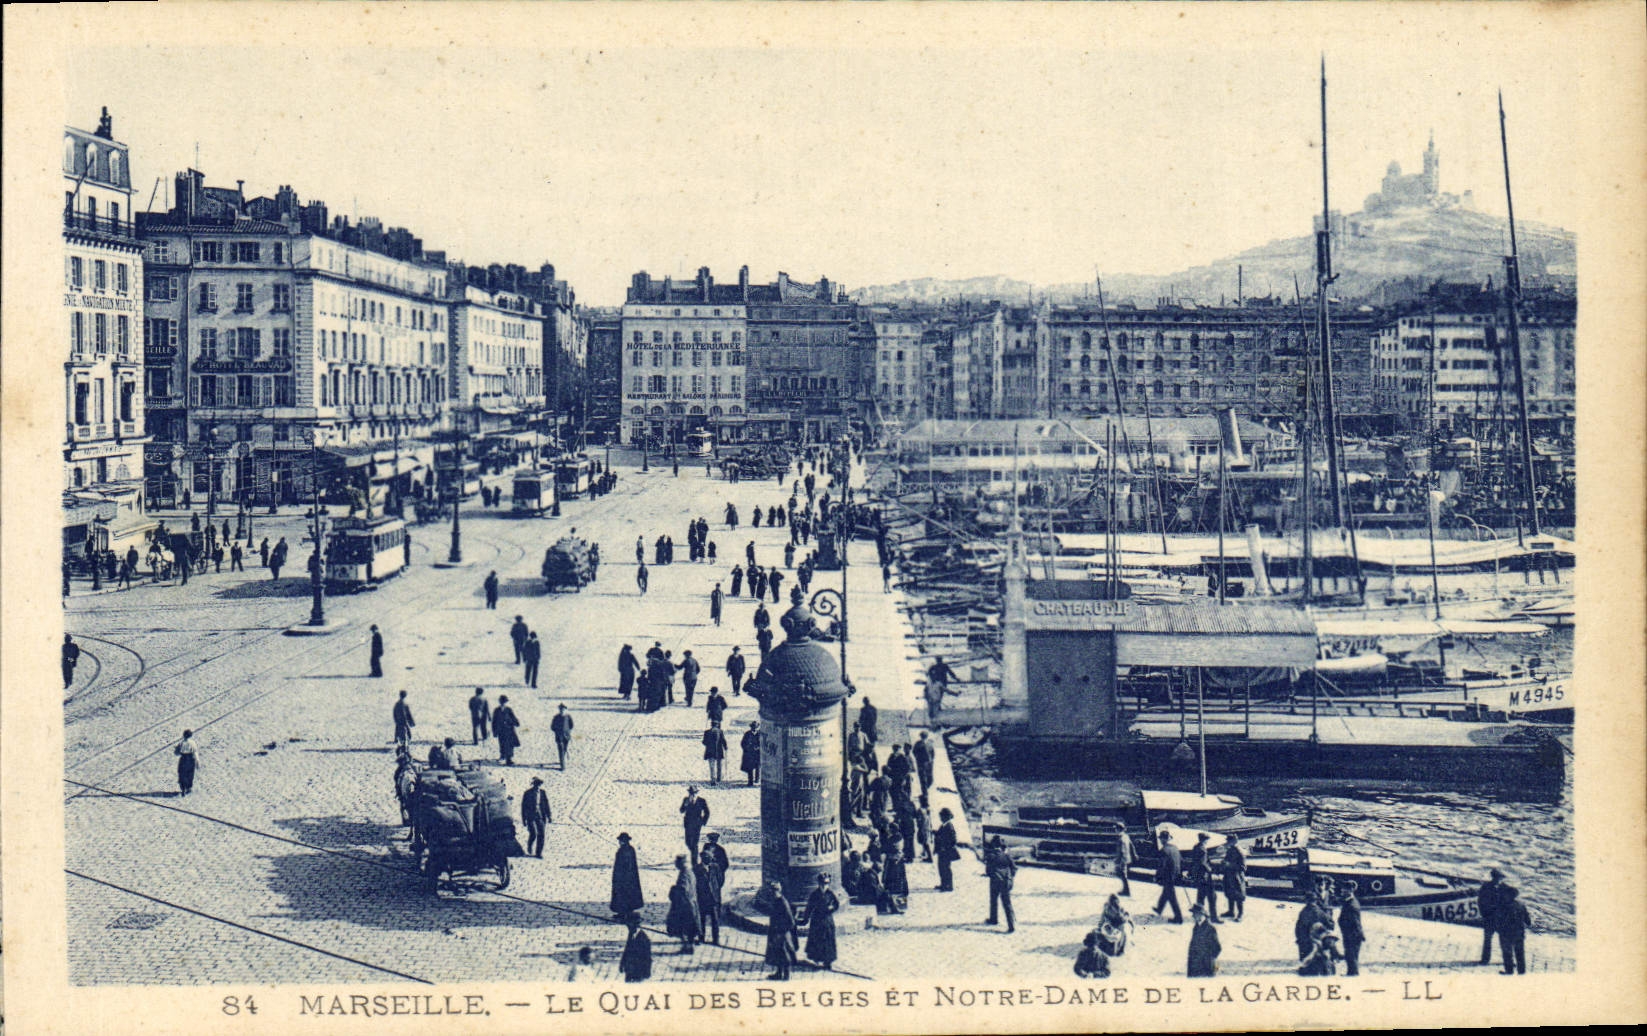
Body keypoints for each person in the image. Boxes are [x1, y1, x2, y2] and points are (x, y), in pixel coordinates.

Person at [666, 855, 702, 954]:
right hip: (691, 903)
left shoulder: (684, 874)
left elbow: (683, 889)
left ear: (681, 864)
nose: (676, 865)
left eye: (677, 863)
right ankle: (688, 946)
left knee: (684, 926)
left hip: (685, 905)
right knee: (689, 926)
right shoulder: (689, 872)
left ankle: (688, 947)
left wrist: (673, 890)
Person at [764, 882, 798, 981]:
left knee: (785, 954)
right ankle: (778, 973)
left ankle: (786, 975)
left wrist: (782, 931)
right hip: (776, 931)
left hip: (782, 933)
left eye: (773, 891)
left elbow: (791, 921)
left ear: (778, 891)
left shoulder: (783, 902)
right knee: (777, 953)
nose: (772, 894)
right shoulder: (776, 901)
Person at [804, 873, 840, 969]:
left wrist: (831, 908)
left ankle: (827, 961)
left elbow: (836, 904)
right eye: (823, 883)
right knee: (817, 940)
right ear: (819, 883)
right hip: (817, 920)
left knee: (828, 941)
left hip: (827, 920)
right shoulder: (814, 894)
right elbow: (809, 907)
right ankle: (817, 960)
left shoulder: (830, 894)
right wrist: (805, 919)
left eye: (827, 883)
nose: (825, 885)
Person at [984, 835, 1017, 932]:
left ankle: (993, 919)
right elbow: (1014, 868)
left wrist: (992, 875)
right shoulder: (1006, 855)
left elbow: (988, 870)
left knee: (993, 900)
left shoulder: (991, 856)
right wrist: (1010, 877)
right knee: (1007, 903)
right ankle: (1011, 925)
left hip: (995, 882)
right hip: (1006, 882)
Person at [1477, 867, 1508, 966]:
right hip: (1489, 918)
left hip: (1500, 919)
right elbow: (1481, 902)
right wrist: (1484, 914)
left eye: (1499, 878)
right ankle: (1485, 959)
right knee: (1487, 940)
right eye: (1497, 878)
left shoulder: (1504, 888)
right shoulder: (1486, 887)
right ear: (1493, 878)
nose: (1498, 880)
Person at [1153, 828, 1184, 923]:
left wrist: (1157, 876)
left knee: (1171, 897)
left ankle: (1178, 918)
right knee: (1166, 892)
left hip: (1168, 877)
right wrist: (1180, 873)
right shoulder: (1175, 848)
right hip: (1176, 875)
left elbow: (1162, 865)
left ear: (1163, 839)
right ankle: (1159, 908)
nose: (1160, 840)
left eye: (1161, 839)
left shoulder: (1164, 850)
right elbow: (1181, 861)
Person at [610, 833, 645, 916]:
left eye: (620, 840)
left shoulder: (624, 850)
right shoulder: (629, 849)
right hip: (628, 877)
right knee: (626, 894)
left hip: (624, 878)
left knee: (623, 894)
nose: (619, 842)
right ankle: (625, 911)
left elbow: (624, 865)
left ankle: (624, 912)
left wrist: (620, 877)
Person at [1498, 885, 1530, 975]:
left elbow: (1499, 919)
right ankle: (1522, 971)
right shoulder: (1521, 905)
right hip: (1519, 933)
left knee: (1507, 953)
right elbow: (1528, 921)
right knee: (1520, 953)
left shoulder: (1504, 906)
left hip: (1506, 933)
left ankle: (1509, 971)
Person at [1189, 832, 1220, 923]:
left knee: (1201, 896)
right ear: (1204, 840)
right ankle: (1214, 918)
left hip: (1199, 876)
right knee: (1212, 897)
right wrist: (1210, 869)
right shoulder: (1202, 849)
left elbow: (1194, 861)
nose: (1207, 841)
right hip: (1205, 876)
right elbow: (1203, 863)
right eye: (1207, 840)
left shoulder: (1196, 847)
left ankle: (1198, 915)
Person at [694, 851, 724, 945]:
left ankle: (716, 939)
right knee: (701, 920)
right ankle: (701, 938)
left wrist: (715, 890)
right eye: (707, 858)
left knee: (715, 920)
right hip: (702, 899)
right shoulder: (696, 869)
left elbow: (720, 880)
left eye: (710, 857)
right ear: (703, 858)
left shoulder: (715, 867)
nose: (709, 859)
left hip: (714, 899)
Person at [1294, 892, 1334, 961]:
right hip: (1318, 942)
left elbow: (1298, 928)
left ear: (1306, 901)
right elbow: (1331, 925)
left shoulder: (1303, 912)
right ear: (1315, 901)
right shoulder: (1321, 912)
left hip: (1305, 942)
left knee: (1306, 962)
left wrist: (1299, 939)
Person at [1187, 904, 1222, 977]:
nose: (1192, 916)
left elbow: (1217, 948)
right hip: (1195, 966)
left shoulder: (1210, 928)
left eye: (1194, 914)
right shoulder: (1196, 928)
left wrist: (1209, 960)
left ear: (1200, 915)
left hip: (1206, 968)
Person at [522, 776, 552, 858]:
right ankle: (530, 845)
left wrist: (549, 816)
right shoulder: (527, 793)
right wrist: (524, 819)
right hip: (531, 816)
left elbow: (546, 805)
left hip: (540, 816)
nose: (538, 786)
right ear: (533, 785)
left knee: (541, 834)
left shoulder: (543, 793)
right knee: (534, 833)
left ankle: (538, 853)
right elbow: (523, 807)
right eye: (536, 784)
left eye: (539, 784)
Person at [1337, 888, 1364, 976]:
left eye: (1343, 891)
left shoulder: (1352, 905)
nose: (1341, 892)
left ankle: (1353, 974)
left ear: (1349, 891)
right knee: (1350, 955)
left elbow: (1356, 922)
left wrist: (1359, 934)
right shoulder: (1350, 901)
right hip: (1349, 933)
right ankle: (1351, 973)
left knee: (1351, 955)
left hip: (1352, 934)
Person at [618, 912, 652, 983]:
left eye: (629, 924)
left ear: (635, 924)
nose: (627, 926)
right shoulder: (631, 934)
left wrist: (647, 972)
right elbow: (626, 951)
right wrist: (622, 964)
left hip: (638, 972)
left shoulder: (644, 939)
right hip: (629, 970)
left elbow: (647, 958)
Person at [1098, 892, 1134, 957]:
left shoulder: (1121, 908)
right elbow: (1102, 919)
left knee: (1124, 931)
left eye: (1116, 902)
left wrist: (1129, 924)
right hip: (1111, 924)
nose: (1115, 904)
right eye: (1113, 903)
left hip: (1120, 924)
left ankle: (1121, 949)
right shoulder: (1107, 908)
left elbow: (1126, 919)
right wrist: (1100, 927)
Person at [680, 785, 711, 858]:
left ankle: (695, 859)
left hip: (697, 824)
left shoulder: (701, 801)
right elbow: (681, 810)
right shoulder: (686, 800)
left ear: (697, 793)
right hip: (688, 824)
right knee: (687, 842)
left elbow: (707, 812)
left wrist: (703, 821)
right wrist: (685, 805)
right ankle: (694, 853)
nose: (692, 794)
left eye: (694, 793)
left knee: (695, 842)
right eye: (691, 793)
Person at [1222, 833, 1247, 921]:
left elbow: (1243, 867)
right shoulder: (1230, 850)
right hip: (1229, 876)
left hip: (1237, 877)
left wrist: (1229, 865)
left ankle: (1240, 914)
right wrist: (1224, 863)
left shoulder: (1240, 851)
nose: (1227, 842)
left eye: (1229, 841)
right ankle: (1231, 911)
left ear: (1233, 841)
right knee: (1229, 893)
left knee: (1238, 896)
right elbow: (1227, 860)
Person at [935, 806, 960, 891]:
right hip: (942, 851)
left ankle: (949, 886)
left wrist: (945, 848)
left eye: (941, 816)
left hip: (946, 852)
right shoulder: (944, 825)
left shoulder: (949, 826)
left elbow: (953, 840)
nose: (940, 818)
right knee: (941, 868)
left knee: (946, 869)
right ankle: (943, 884)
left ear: (945, 816)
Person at [493, 695, 522, 765]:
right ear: (500, 702)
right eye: (502, 702)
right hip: (501, 731)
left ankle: (509, 759)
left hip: (509, 730)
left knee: (509, 745)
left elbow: (513, 717)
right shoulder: (496, 710)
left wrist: (516, 723)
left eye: (504, 702)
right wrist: (495, 731)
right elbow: (494, 721)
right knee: (502, 743)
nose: (503, 703)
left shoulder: (508, 709)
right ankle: (502, 755)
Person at [911, 731, 936, 800]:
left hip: (929, 764)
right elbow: (914, 752)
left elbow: (933, 753)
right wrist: (918, 758)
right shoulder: (918, 744)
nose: (923, 737)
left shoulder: (930, 743)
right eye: (922, 736)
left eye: (924, 736)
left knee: (930, 779)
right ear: (921, 736)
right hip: (921, 763)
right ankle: (925, 793)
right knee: (923, 779)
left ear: (926, 737)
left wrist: (931, 760)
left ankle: (925, 789)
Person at [174, 729, 199, 796]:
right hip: (190, 759)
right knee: (190, 774)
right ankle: (189, 788)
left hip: (183, 759)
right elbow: (195, 752)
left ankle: (183, 788)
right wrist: (197, 762)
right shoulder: (192, 743)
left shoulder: (181, 743)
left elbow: (176, 753)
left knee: (182, 773)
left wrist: (176, 749)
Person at [551, 704, 574, 770]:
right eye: (561, 710)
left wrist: (568, 731)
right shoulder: (556, 717)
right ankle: (562, 766)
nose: (562, 711)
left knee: (564, 749)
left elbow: (571, 725)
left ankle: (562, 760)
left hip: (566, 736)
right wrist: (557, 731)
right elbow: (552, 727)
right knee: (561, 750)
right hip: (559, 736)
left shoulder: (568, 717)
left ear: (565, 710)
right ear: (559, 710)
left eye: (563, 710)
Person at [740, 721, 761, 785]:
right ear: (751, 727)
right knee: (750, 767)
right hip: (750, 754)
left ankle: (757, 779)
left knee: (758, 766)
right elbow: (743, 743)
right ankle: (750, 781)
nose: (754, 729)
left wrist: (759, 747)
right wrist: (748, 749)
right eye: (753, 727)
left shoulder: (760, 734)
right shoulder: (747, 734)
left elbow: (763, 743)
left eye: (756, 727)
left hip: (758, 753)